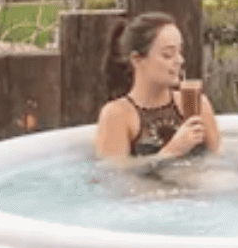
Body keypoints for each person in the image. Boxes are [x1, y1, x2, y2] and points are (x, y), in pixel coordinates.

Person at [93, 12, 220, 174]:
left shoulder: (197, 103)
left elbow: (220, 162)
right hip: (147, 197)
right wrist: (169, 153)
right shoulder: (118, 115)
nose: (180, 60)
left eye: (180, 52)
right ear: (137, 60)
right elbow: (113, 178)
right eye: (168, 54)